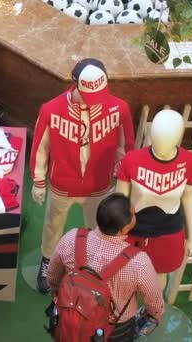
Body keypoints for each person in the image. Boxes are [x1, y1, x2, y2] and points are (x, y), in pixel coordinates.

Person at [30, 58, 135, 293]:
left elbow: (125, 147)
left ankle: (94, 265)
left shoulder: (119, 109)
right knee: (52, 226)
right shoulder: (52, 109)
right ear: (75, 85)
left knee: (99, 229)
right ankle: (48, 261)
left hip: (98, 184)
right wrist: (38, 180)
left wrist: (122, 180)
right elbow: (40, 147)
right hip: (62, 184)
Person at [47, 193, 165, 341]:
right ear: (125, 228)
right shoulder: (138, 262)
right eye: (133, 213)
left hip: (70, 315)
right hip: (114, 329)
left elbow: (52, 276)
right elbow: (155, 303)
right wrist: (154, 316)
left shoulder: (71, 238)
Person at [115, 109, 192, 290]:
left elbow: (189, 196)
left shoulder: (190, 161)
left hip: (168, 231)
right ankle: (124, 310)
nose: (162, 144)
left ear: (178, 137)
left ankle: (151, 311)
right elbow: (119, 199)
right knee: (125, 273)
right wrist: (115, 231)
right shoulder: (132, 160)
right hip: (133, 229)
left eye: (168, 139)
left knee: (159, 275)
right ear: (151, 134)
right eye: (158, 137)